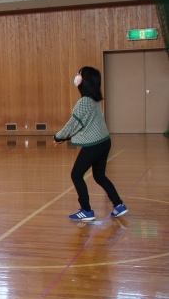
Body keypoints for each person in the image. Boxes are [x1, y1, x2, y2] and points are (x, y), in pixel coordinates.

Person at [54, 66, 126, 221]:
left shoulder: (84, 102)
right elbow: (85, 125)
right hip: (104, 142)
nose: (76, 76)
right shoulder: (94, 99)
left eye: (79, 74)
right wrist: (65, 138)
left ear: (85, 80)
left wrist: (58, 136)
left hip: (94, 145)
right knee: (99, 176)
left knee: (76, 175)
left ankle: (86, 210)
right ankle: (119, 205)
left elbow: (73, 125)